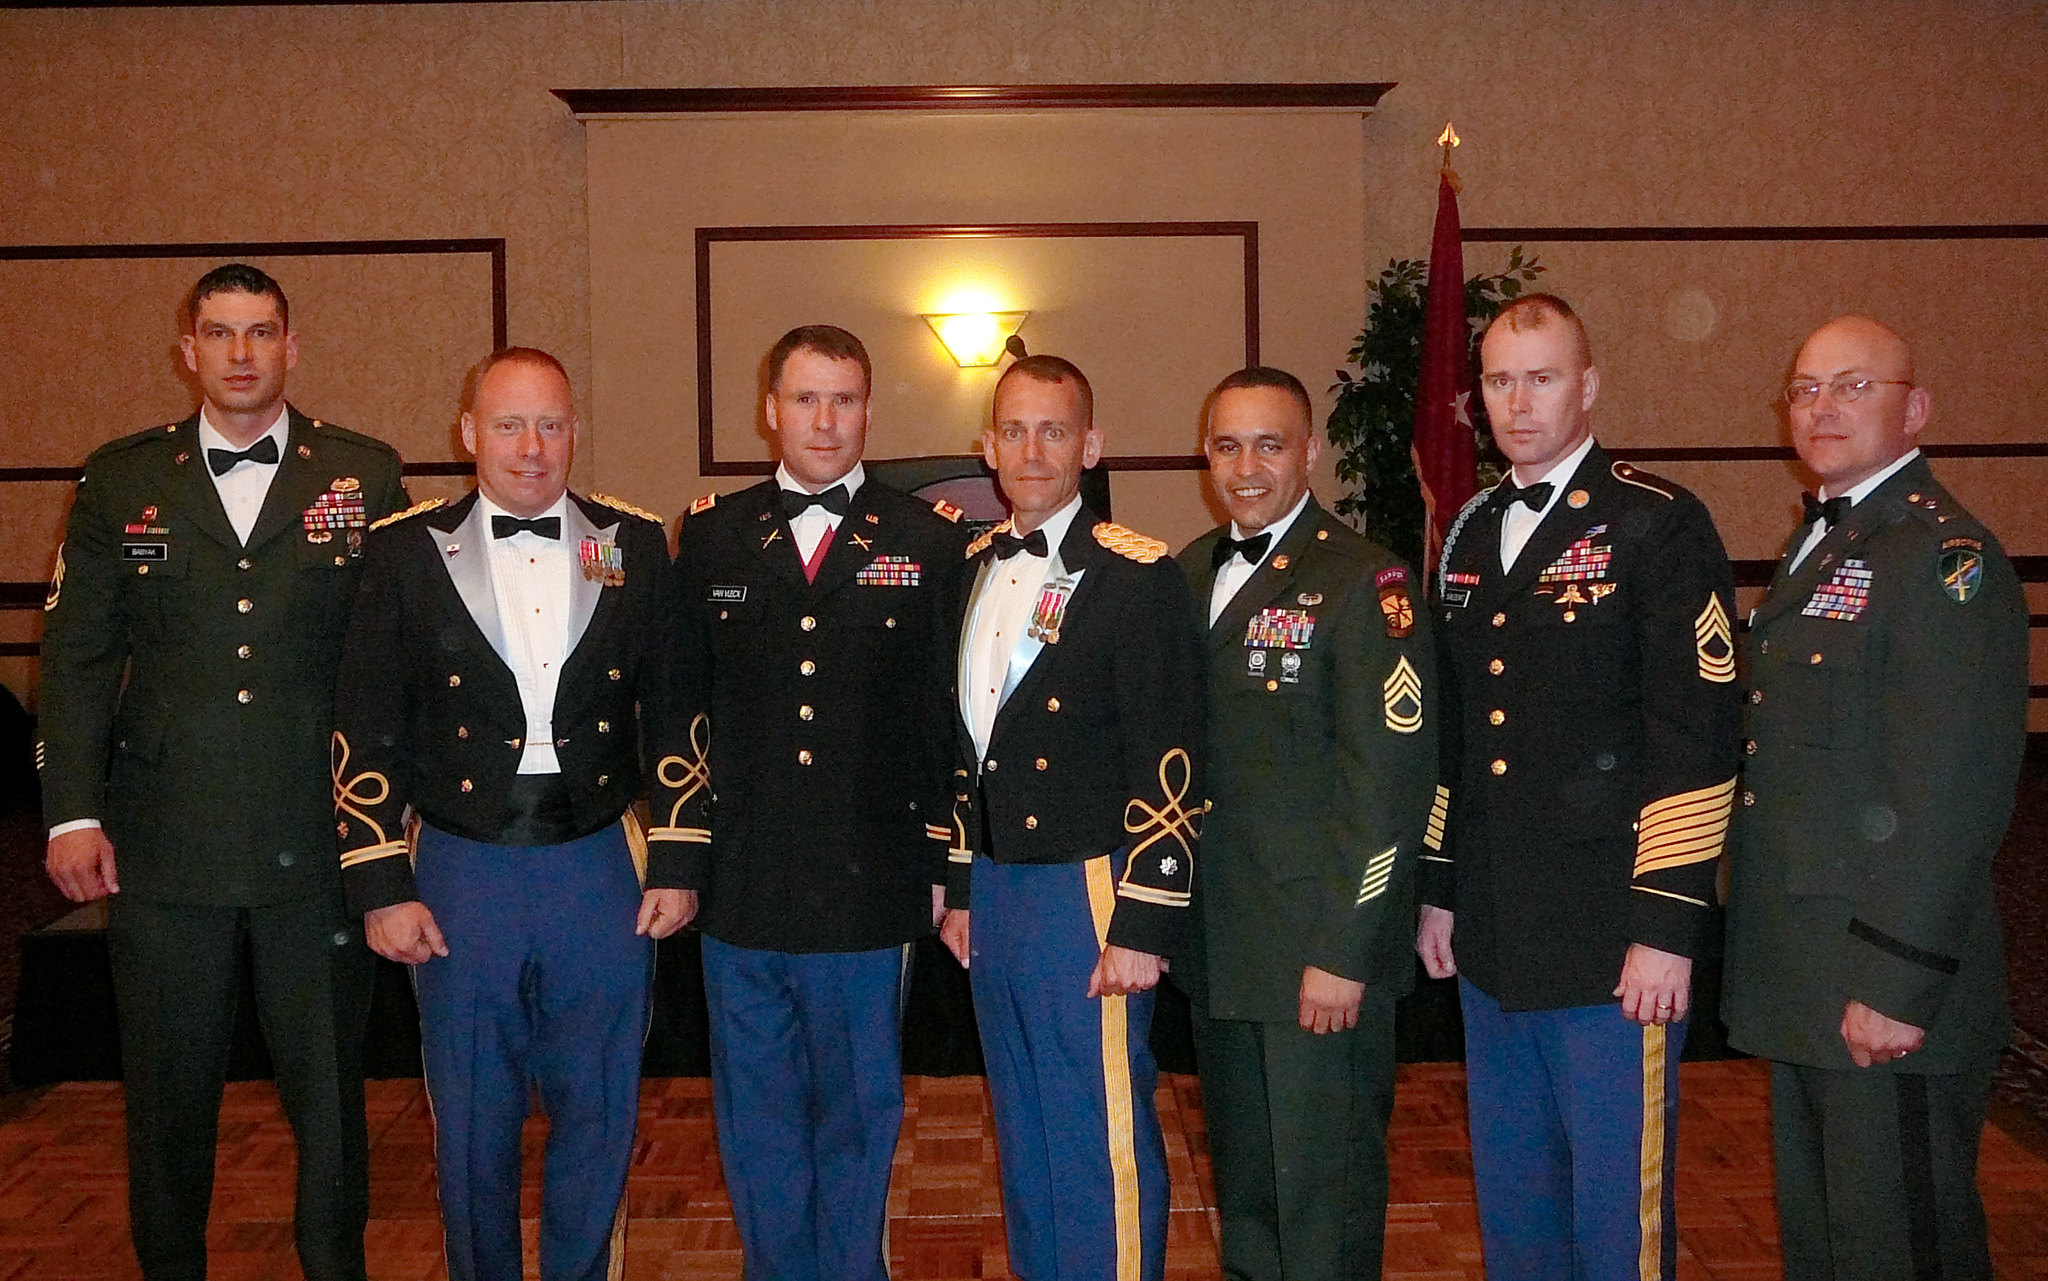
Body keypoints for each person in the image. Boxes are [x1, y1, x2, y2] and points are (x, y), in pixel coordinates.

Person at [36, 263, 405, 1281]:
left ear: (292, 346)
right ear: (186, 351)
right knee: (166, 1097)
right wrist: (70, 812)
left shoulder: (363, 477)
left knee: (329, 1098)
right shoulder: (122, 480)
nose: (242, 353)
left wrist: (395, 819)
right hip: (165, 843)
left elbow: (398, 661)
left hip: (320, 838)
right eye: (220, 333)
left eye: (261, 332)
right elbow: (74, 656)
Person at [331, 347, 693, 1281]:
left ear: (575, 431)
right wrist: (380, 879)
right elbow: (366, 723)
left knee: (600, 1104)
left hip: (597, 862)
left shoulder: (631, 541)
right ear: (469, 433)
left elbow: (675, 706)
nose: (531, 448)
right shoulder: (406, 549)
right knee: (472, 1114)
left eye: (551, 425)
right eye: (508, 425)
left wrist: (681, 857)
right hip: (462, 862)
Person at [1415, 294, 1740, 1280]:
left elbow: (1695, 732)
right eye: (1499, 381)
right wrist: (1439, 886)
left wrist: (1664, 921)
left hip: (1610, 932)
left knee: (1615, 1209)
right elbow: (1455, 734)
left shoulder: (1656, 524)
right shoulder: (1469, 533)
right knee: (1513, 1196)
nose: (1518, 402)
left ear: (1586, 385)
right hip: (1494, 928)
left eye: (1541, 377)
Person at [1722, 316, 2027, 1280]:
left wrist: (1895, 979)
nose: (1822, 407)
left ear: (1917, 408)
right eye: (1807, 388)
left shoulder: (1943, 560)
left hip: (1885, 986)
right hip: (1812, 971)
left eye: (1853, 386)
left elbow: (1949, 787)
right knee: (1829, 1242)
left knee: (1900, 1246)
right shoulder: (1830, 540)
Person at [667, 324, 968, 1281]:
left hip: (868, 882)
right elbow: (682, 707)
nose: (824, 419)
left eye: (843, 399)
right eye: (805, 398)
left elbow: (945, 720)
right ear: (771, 409)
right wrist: (682, 858)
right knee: (754, 1119)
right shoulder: (711, 532)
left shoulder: (926, 539)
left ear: (869, 410)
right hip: (744, 883)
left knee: (859, 1111)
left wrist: (942, 866)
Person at [939, 354, 1205, 1281]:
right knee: (1024, 1119)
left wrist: (1144, 920)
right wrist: (962, 886)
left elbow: (1171, 759)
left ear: (1090, 444)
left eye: (1054, 429)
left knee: (1101, 1127)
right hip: (1000, 891)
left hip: (1089, 889)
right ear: (987, 445)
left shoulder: (1137, 577)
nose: (1032, 449)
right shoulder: (967, 567)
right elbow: (963, 753)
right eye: (1013, 430)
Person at [1176, 366, 1438, 1279]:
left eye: (1270, 443)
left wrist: (1345, 949)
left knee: (1323, 1200)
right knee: (1248, 1192)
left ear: (1311, 451)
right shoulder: (1188, 571)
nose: (1246, 467)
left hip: (1315, 953)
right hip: (1222, 946)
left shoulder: (1368, 581)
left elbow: (1390, 790)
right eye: (1226, 445)